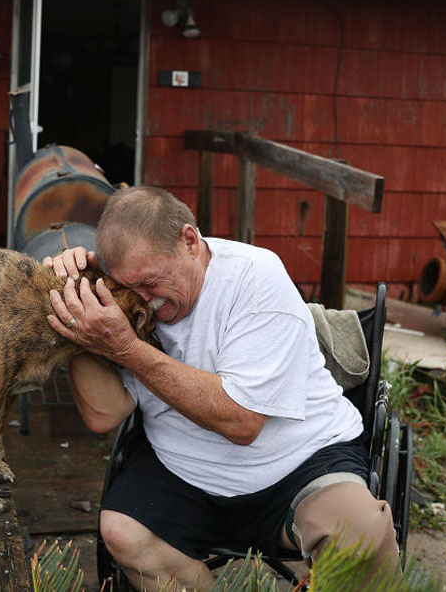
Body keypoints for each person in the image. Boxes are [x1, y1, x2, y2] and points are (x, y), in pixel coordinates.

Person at [43, 186, 398, 591]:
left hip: (299, 462)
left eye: (152, 282)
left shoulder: (253, 276)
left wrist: (126, 348)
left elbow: (241, 422)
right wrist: (76, 310)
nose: (144, 302)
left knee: (363, 533)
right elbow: (103, 414)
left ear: (190, 242)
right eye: (130, 288)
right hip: (184, 471)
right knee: (123, 530)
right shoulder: (125, 291)